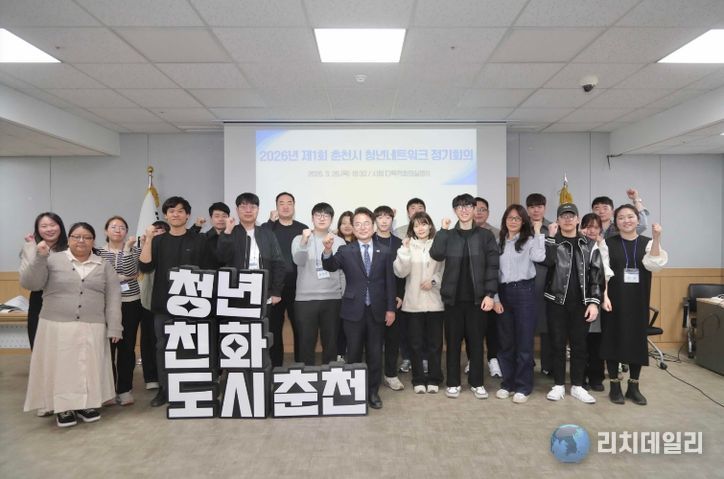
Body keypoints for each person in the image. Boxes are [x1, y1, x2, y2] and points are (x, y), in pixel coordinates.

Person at [21, 222, 122, 428]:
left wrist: (114, 327)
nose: (81, 241)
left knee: (87, 368)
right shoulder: (52, 259)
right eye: (76, 236)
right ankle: (63, 407)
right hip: (56, 325)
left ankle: (86, 404)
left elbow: (113, 298)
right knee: (62, 368)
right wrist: (39, 257)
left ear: (93, 241)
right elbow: (32, 283)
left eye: (87, 237)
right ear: (69, 239)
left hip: (92, 324)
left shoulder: (103, 265)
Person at [322, 207, 397, 410]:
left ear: (373, 227)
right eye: (358, 224)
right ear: (353, 229)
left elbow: (390, 283)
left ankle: (372, 392)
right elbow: (330, 266)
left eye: (366, 224)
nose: (362, 228)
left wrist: (391, 309)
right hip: (353, 310)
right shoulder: (345, 251)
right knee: (353, 353)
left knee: (375, 353)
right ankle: (353, 392)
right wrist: (327, 251)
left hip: (377, 310)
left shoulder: (385, 251)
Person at [429, 193, 499, 400]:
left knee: (476, 343)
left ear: (474, 209)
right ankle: (453, 383)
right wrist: (442, 230)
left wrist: (490, 294)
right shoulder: (448, 235)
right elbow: (436, 254)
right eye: (460, 207)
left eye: (468, 206)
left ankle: (477, 383)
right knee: (452, 343)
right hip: (453, 300)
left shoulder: (485, 236)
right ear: (455, 211)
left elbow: (493, 267)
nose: (464, 210)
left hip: (478, 300)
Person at [139, 196, 206, 407]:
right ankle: (165, 389)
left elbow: (208, 271)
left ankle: (191, 386)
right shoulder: (158, 241)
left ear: (188, 215)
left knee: (192, 347)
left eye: (180, 211)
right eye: (171, 211)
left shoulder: (199, 240)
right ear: (166, 216)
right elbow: (145, 267)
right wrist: (148, 240)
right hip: (164, 304)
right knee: (163, 347)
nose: (175, 214)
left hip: (193, 305)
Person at [600, 205, 668, 406]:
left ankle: (633, 386)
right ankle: (614, 385)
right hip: (613, 299)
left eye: (630, 216)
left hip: (638, 299)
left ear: (638, 220)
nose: (626, 220)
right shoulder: (607, 243)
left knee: (637, 341)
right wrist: (604, 297)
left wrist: (656, 238)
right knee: (612, 339)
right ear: (616, 222)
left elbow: (654, 264)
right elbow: (602, 272)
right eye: (621, 217)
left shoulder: (648, 243)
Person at [541, 203, 604, 404]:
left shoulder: (590, 244)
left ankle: (577, 386)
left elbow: (597, 275)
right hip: (556, 301)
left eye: (571, 216)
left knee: (579, 346)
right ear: (558, 220)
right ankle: (558, 384)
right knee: (557, 344)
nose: (567, 219)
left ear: (577, 219)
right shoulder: (553, 242)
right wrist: (551, 239)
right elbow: (547, 262)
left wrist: (593, 303)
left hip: (581, 304)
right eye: (563, 216)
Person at [216, 192, 286, 366]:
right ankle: (240, 371)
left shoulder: (267, 234)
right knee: (239, 336)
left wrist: (276, 292)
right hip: (237, 295)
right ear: (237, 209)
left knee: (263, 334)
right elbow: (221, 257)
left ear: (258, 210)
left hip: (264, 295)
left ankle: (265, 370)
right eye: (243, 206)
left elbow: (279, 263)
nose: (248, 210)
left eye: (252, 206)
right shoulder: (231, 232)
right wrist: (227, 232)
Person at [492, 205, 545, 404]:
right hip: (503, 292)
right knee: (506, 342)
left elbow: (540, 257)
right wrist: (495, 298)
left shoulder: (529, 240)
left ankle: (523, 386)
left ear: (523, 222)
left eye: (517, 218)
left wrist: (538, 232)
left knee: (524, 342)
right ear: (504, 220)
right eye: (510, 218)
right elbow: (493, 272)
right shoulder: (498, 243)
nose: (513, 221)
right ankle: (508, 383)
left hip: (525, 292)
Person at [393, 212, 444, 394]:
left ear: (430, 226)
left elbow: (445, 270)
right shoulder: (407, 246)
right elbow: (400, 272)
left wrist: (434, 281)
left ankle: (434, 378)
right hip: (413, 304)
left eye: (424, 224)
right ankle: (418, 380)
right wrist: (405, 251)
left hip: (435, 303)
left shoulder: (438, 244)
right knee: (415, 345)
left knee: (435, 344)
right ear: (412, 228)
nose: (420, 228)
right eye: (416, 225)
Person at [291, 202, 345, 365]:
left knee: (331, 343)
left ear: (332, 219)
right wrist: (304, 241)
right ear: (312, 218)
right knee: (306, 343)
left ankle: (330, 376)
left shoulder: (339, 241)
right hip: (305, 300)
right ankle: (307, 376)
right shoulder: (299, 239)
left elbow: (342, 272)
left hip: (332, 298)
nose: (322, 218)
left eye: (326, 215)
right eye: (318, 215)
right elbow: (298, 261)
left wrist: (343, 295)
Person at [98, 216, 142, 406]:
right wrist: (122, 277)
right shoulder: (97, 252)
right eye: (113, 227)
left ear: (126, 231)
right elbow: (99, 277)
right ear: (106, 230)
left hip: (130, 302)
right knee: (107, 348)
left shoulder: (135, 249)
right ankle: (108, 390)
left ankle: (124, 389)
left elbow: (131, 270)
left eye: (122, 227)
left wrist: (127, 250)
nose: (118, 230)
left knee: (127, 348)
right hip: (104, 304)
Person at [263, 192, 308, 363]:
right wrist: (270, 222)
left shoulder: (302, 228)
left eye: (289, 202)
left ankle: (301, 364)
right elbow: (261, 242)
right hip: (275, 287)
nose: (285, 206)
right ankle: (275, 366)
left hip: (298, 286)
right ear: (276, 207)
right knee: (274, 327)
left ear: (294, 206)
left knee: (300, 327)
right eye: (281, 203)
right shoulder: (269, 228)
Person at [20, 213, 69, 351]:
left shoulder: (70, 248)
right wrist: (32, 247)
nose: (49, 229)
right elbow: (29, 281)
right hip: (39, 299)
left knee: (63, 346)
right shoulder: (31, 247)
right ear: (38, 229)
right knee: (39, 345)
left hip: (65, 299)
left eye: (53, 225)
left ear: (60, 227)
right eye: (44, 226)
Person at [579, 213, 614, 392]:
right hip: (578, 299)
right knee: (580, 341)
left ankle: (596, 377)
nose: (591, 230)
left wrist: (604, 297)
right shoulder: (576, 244)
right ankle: (580, 377)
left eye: (595, 227)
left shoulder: (603, 246)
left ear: (600, 229)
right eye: (587, 226)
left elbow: (605, 274)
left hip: (597, 297)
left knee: (595, 340)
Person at [373, 205, 405, 392]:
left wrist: (400, 294)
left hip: (394, 298)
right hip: (373, 298)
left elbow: (404, 273)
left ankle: (391, 374)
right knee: (374, 340)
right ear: (375, 220)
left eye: (387, 217)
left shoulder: (399, 243)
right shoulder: (369, 241)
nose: (384, 221)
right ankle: (374, 375)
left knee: (393, 340)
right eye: (380, 217)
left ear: (392, 220)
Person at [393, 198, 426, 374]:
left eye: (420, 207)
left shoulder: (431, 233)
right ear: (407, 212)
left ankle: (424, 358)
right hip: (404, 284)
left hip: (425, 286)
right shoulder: (399, 232)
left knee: (425, 327)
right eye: (413, 208)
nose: (416, 210)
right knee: (405, 326)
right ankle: (407, 357)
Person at [473, 196, 502, 378]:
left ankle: (493, 359)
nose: (478, 212)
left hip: (492, 287)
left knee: (492, 328)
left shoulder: (498, 234)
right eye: (475, 208)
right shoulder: (462, 233)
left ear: (488, 213)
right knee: (472, 329)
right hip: (471, 290)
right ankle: (473, 360)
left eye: (482, 209)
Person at [525, 193, 554, 376]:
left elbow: (554, 256)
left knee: (547, 326)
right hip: (525, 284)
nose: (536, 210)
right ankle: (526, 363)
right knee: (525, 325)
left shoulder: (553, 227)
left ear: (545, 207)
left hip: (547, 283)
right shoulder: (521, 227)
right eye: (532, 207)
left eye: (539, 206)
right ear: (527, 209)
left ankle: (547, 365)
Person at [334, 210, 355, 360]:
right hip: (337, 291)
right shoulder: (334, 243)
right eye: (343, 223)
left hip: (355, 292)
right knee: (339, 325)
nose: (347, 226)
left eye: (350, 223)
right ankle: (340, 353)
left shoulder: (362, 243)